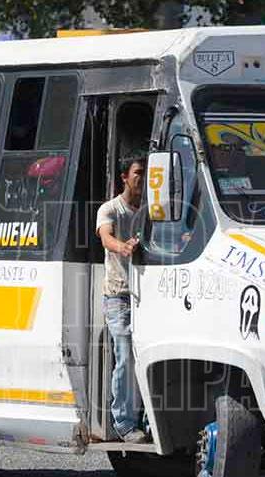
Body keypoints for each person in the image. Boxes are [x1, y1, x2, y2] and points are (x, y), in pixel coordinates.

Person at [96, 156, 147, 443]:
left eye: (146, 172)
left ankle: (148, 419)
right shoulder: (110, 209)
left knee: (147, 357)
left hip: (148, 297)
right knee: (125, 356)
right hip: (119, 297)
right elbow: (106, 238)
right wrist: (122, 247)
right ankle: (124, 423)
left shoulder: (152, 211)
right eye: (138, 172)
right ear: (124, 177)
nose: (143, 177)